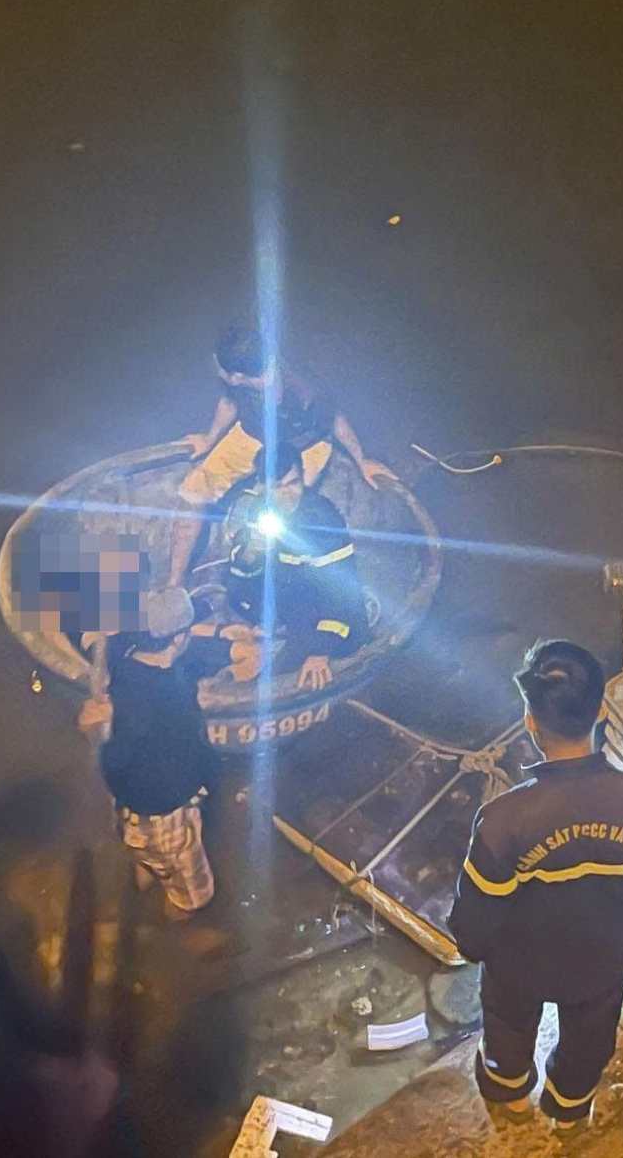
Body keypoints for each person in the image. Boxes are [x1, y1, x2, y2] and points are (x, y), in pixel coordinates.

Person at [448, 641, 623, 1131]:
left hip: (520, 962)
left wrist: (476, 947)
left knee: (508, 1028)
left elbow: (475, 921)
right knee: (590, 1036)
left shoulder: (503, 819)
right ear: (600, 711)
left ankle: (510, 1098)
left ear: (530, 721)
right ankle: (569, 1111)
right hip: (603, 952)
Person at [166, 322, 393, 590]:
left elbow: (335, 420)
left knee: (284, 512)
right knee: (194, 491)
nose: (216, 368)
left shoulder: (304, 389)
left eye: (224, 370)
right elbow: (230, 402)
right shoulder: (238, 372)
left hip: (303, 446)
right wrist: (209, 439)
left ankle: (271, 576)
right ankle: (174, 583)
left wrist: (361, 459)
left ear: (238, 376)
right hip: (252, 435)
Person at [78, 622, 226, 930]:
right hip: (162, 808)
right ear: (178, 637)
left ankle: (148, 869)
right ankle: (183, 920)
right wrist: (96, 736)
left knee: (144, 848)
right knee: (190, 887)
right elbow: (114, 762)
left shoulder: (124, 668)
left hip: (137, 804)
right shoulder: (155, 701)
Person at [222, 445, 369, 691]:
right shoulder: (258, 510)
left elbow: (344, 593)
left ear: (303, 478)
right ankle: (271, 631)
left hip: (326, 615)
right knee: (236, 590)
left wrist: (320, 651)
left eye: (293, 483)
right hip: (292, 604)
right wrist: (252, 552)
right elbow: (240, 573)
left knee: (273, 682)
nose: (287, 494)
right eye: (277, 487)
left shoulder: (320, 520)